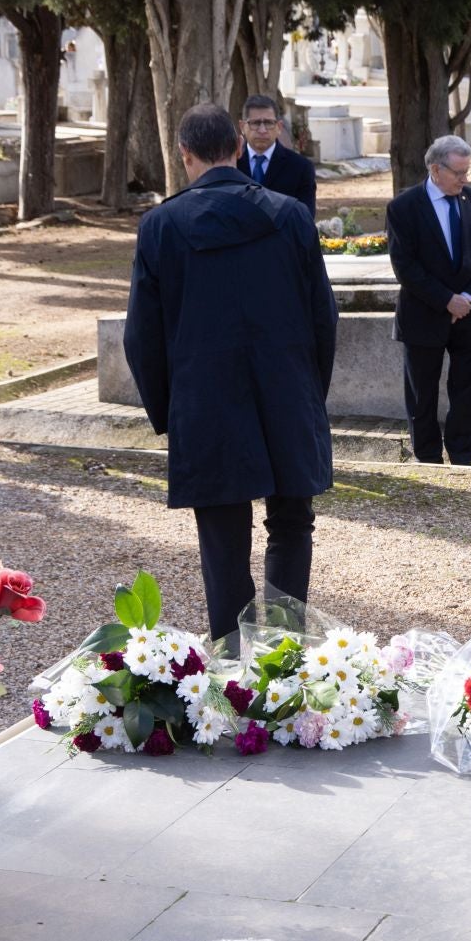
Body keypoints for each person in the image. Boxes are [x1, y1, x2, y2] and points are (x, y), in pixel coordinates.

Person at [125, 103, 337, 643]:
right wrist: (311, 392)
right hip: (286, 394)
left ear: (184, 153)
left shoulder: (160, 226)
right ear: (239, 147)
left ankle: (232, 662)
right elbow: (322, 316)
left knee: (222, 539)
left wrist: (169, 409)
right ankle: (287, 653)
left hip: (205, 401)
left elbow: (141, 337)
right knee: (292, 525)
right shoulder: (290, 216)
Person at [385, 134, 471, 466]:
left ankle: (464, 458)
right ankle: (428, 457)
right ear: (436, 170)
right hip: (423, 316)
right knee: (422, 394)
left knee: (465, 391)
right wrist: (446, 300)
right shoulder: (403, 207)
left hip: (469, 316)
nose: (464, 180)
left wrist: (467, 298)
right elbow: (405, 266)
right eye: (458, 173)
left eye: (467, 172)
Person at [234, 94, 316, 218]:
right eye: (255, 123)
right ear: (242, 127)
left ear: (279, 127)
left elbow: (305, 218)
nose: (262, 130)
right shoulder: (232, 164)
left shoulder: (300, 167)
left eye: (268, 123)